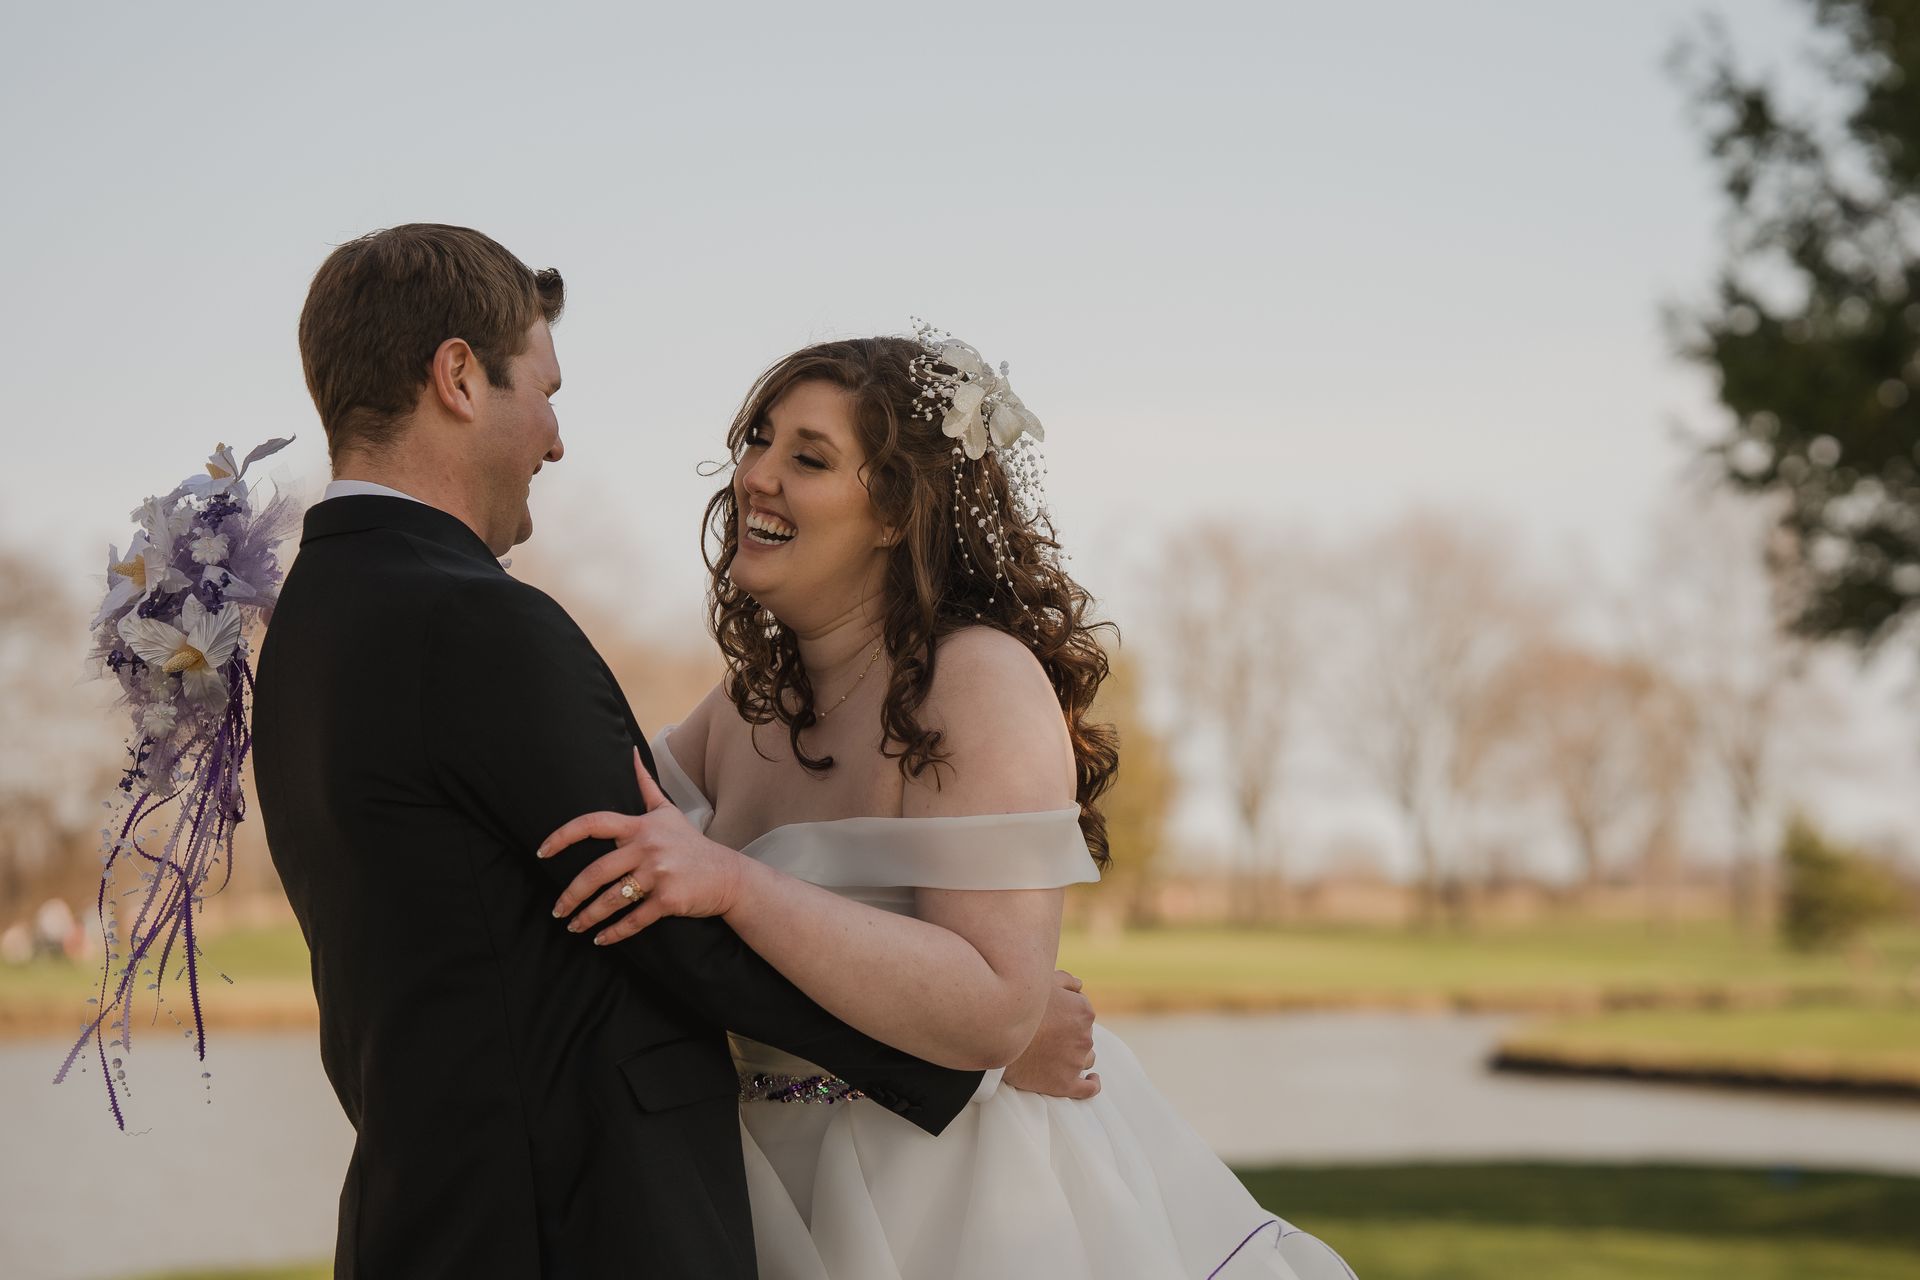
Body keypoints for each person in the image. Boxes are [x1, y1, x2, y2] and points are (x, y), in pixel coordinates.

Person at [250, 225, 1097, 1279]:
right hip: (579, 1212)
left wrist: (987, 1022)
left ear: (896, 508)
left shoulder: (312, 628)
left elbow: (646, 892)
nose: (554, 438)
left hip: (926, 1205)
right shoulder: (488, 628)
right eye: (545, 391)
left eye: (810, 455)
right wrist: (988, 1048)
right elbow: (655, 910)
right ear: (460, 378)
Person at [539, 334, 1358, 1278]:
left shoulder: (976, 680)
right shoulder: (742, 706)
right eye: (757, 440)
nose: (755, 476)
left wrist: (734, 885)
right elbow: (608, 855)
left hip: (965, 1199)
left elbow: (998, 1011)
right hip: (764, 1185)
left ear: (895, 511)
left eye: (807, 457)